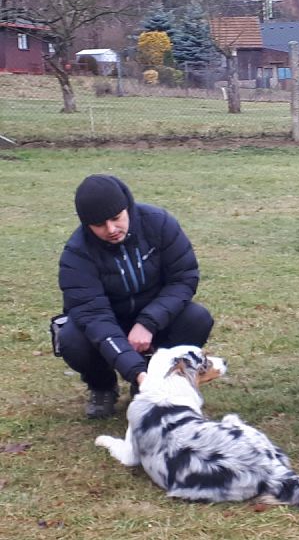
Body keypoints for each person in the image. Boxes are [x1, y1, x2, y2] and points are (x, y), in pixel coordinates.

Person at [57, 174, 214, 419]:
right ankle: (103, 386)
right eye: (99, 225)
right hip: (109, 324)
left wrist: (148, 322)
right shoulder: (76, 255)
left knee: (197, 318)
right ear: (86, 225)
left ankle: (156, 380)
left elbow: (183, 278)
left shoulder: (159, 224)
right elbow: (95, 317)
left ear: (127, 208)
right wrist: (138, 371)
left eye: (116, 218)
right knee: (71, 339)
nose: (111, 229)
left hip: (155, 317)